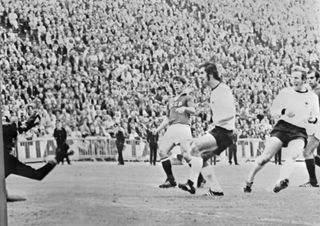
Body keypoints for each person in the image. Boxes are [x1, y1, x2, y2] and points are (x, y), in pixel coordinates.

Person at [244, 67, 319, 193]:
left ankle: (281, 181)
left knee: (292, 156)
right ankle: (249, 181)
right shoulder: (285, 92)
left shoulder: (312, 97)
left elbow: (316, 116)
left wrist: (312, 120)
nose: (293, 80)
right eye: (292, 77)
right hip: (283, 127)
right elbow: (273, 112)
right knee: (265, 157)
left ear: (303, 80)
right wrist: (284, 111)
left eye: (296, 78)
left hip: (300, 131)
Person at [179, 61, 236, 196]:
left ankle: (191, 183)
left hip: (224, 132)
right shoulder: (215, 90)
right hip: (221, 131)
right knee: (201, 158)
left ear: (210, 75)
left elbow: (230, 113)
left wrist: (214, 120)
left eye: (201, 74)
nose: (199, 77)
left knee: (194, 147)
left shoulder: (223, 90)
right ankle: (216, 189)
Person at [3, 112, 65, 201]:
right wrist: (57, 159)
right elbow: (38, 175)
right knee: (22, 196)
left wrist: (28, 125)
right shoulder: (9, 162)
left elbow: (13, 131)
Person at [155, 75, 196, 188]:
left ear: (183, 85)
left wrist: (185, 108)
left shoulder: (187, 97)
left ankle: (200, 176)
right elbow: (168, 118)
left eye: (178, 83)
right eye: (175, 83)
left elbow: (193, 110)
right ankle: (170, 180)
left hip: (183, 127)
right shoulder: (171, 99)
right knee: (162, 151)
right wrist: (157, 129)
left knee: (186, 155)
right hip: (172, 127)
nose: (176, 85)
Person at [299, 70, 320, 187]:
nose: (310, 80)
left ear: (317, 79)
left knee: (307, 152)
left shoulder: (318, 92)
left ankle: (313, 181)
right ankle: (312, 181)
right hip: (313, 126)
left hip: (318, 126)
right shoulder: (312, 92)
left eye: (312, 78)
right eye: (308, 78)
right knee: (309, 153)